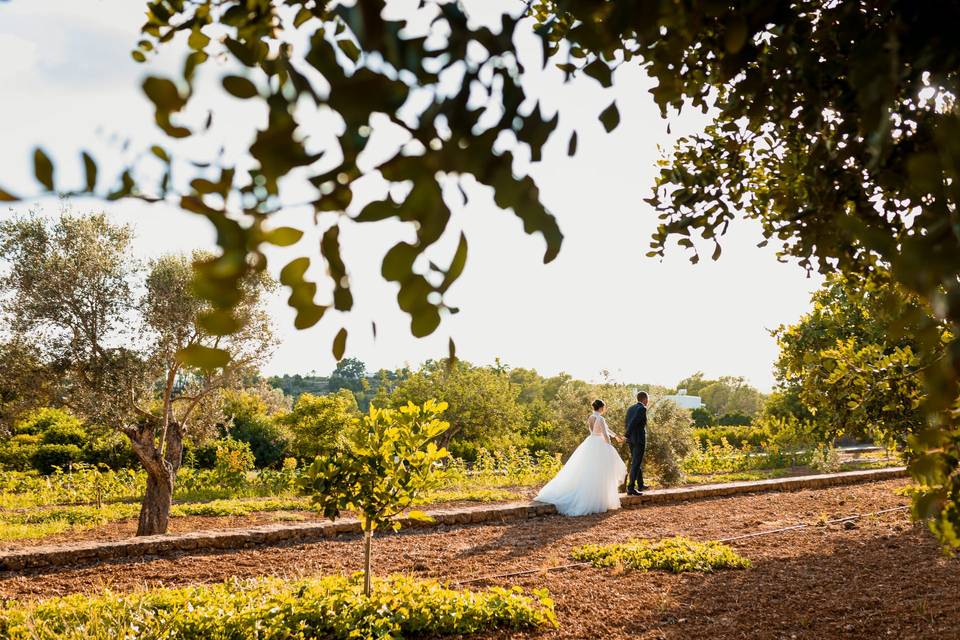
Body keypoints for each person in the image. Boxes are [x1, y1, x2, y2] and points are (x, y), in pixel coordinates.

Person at [534, 399, 627, 516]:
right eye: (604, 407)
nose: (605, 409)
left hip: (591, 442)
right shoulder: (601, 418)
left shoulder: (591, 417)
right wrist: (610, 446)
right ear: (601, 407)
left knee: (588, 471)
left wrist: (616, 436)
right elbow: (604, 434)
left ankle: (595, 498)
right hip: (600, 445)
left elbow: (605, 430)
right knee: (599, 472)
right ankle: (598, 500)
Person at [624, 391, 649, 494]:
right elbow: (634, 422)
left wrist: (628, 436)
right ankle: (630, 488)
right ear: (645, 399)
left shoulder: (630, 408)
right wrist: (626, 435)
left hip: (631, 440)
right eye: (648, 399)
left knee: (636, 462)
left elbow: (626, 422)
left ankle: (641, 484)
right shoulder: (642, 408)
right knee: (636, 463)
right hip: (639, 440)